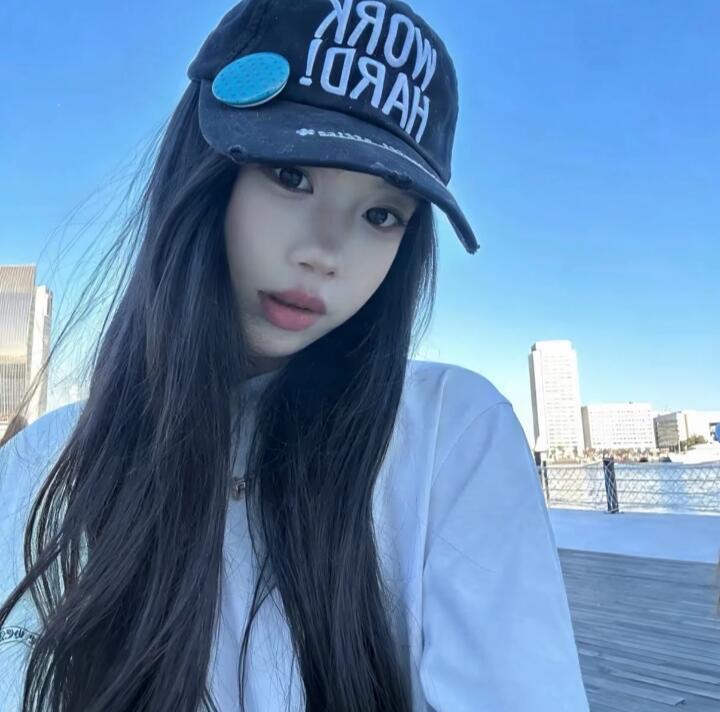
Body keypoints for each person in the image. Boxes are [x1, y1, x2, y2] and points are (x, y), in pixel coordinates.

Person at [0, 1, 591, 710]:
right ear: (203, 170)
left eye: (381, 215)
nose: (324, 252)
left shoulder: (451, 437)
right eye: (290, 175)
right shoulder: (35, 469)